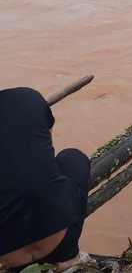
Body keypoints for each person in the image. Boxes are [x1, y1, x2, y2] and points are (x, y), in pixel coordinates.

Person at [0, 87, 92, 273]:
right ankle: (68, 259)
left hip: (8, 259)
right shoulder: (27, 96)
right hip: (62, 242)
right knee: (71, 156)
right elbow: (44, 155)